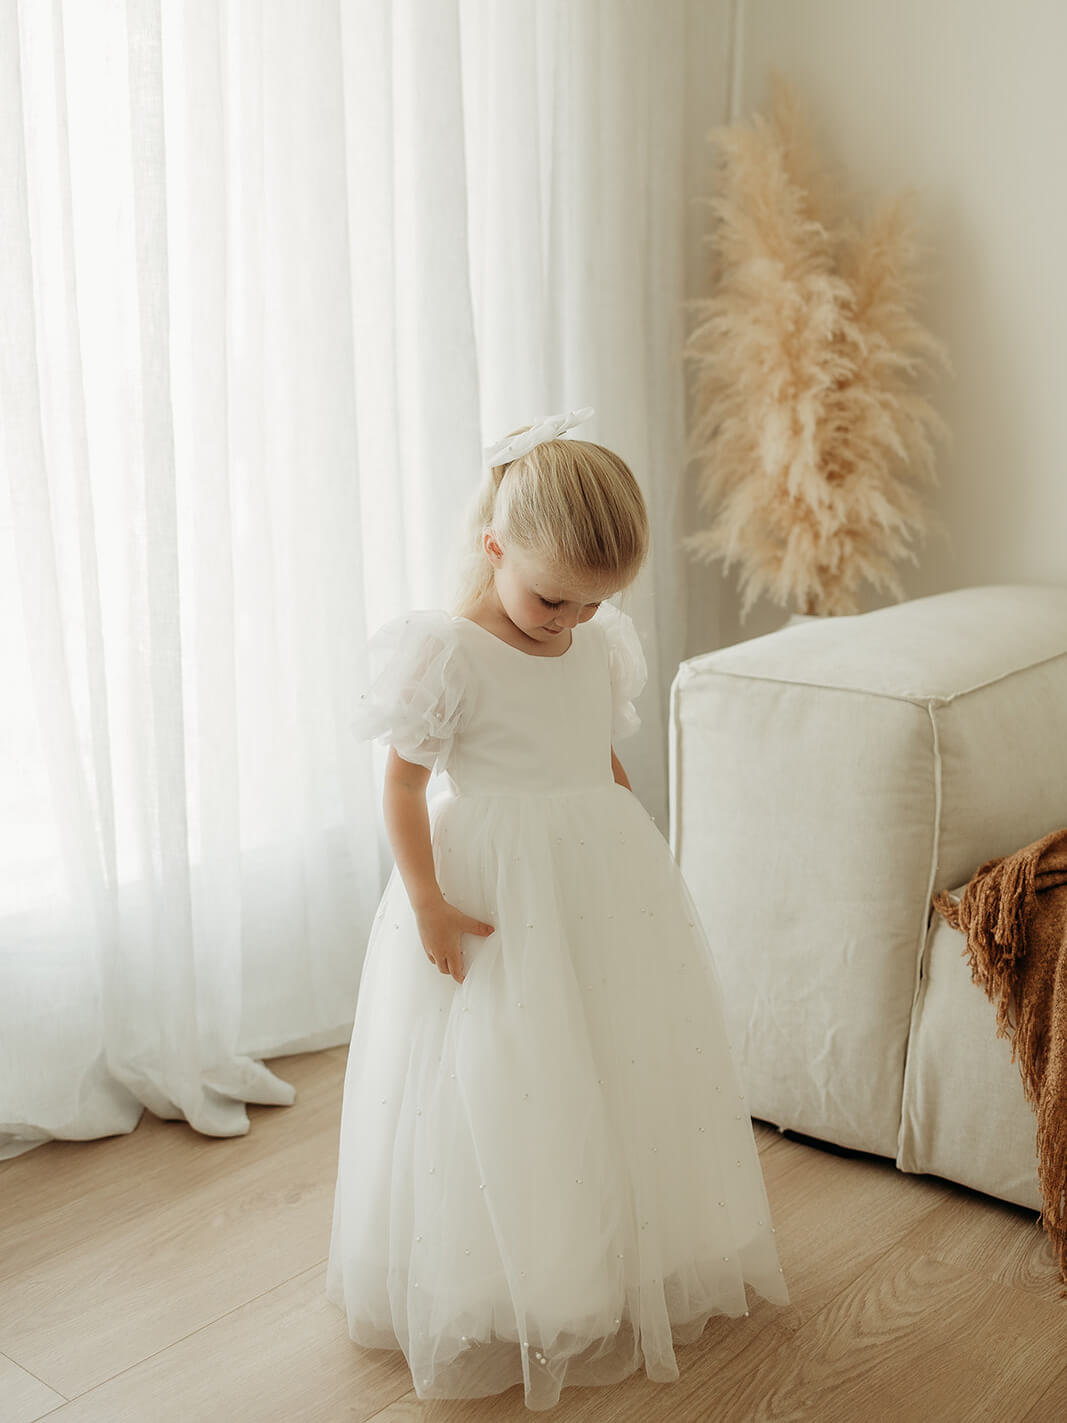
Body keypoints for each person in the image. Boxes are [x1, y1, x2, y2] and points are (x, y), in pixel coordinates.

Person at [325, 408, 788, 1410]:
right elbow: (403, 788)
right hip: (490, 886)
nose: (571, 620)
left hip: (592, 873)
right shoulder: (446, 652)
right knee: (503, 1066)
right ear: (492, 545)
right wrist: (428, 904)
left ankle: (614, 1253)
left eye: (592, 604)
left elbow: (592, 747)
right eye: (552, 598)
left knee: (608, 1056)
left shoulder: (589, 640)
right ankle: (500, 1273)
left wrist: (622, 828)